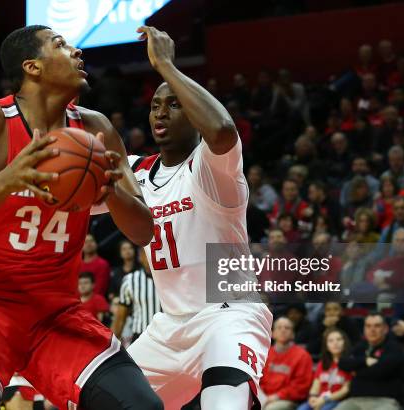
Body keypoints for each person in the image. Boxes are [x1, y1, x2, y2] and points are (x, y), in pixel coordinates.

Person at [0, 25, 158, 410]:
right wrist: (7, 180)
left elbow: (144, 230)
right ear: (32, 67)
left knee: (141, 406)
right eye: (61, 45)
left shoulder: (95, 128)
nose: (77, 52)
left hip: (55, 312)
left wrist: (112, 193)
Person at [100, 25, 273, 410]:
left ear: (194, 114)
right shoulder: (135, 173)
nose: (161, 111)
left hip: (229, 314)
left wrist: (167, 67)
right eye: (155, 105)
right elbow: (72, 191)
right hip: (169, 326)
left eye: (174, 103)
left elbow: (223, 130)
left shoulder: (212, 169)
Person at [336, 313, 404, 410]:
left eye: (377, 326)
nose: (372, 330)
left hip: (385, 401)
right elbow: (342, 363)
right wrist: (365, 361)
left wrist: (356, 371)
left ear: (385, 329)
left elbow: (381, 371)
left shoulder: (394, 348)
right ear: (364, 329)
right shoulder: (360, 347)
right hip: (355, 400)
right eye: (368, 326)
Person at [260, 318, 313, 410]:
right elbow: (257, 379)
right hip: (263, 396)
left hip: (287, 400)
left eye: (287, 328)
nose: (283, 330)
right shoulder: (264, 353)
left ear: (293, 334)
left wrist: (277, 396)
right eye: (279, 327)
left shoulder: (303, 355)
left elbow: (301, 386)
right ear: (272, 333)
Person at [112, 248, 161, 343]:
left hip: (169, 337)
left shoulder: (174, 278)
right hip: (141, 336)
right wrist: (112, 347)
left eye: (156, 253)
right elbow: (120, 318)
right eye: (148, 253)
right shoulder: (130, 280)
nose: (152, 257)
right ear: (140, 257)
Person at [298, 329, 352, 410]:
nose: (335, 343)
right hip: (319, 398)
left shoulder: (351, 363)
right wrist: (313, 397)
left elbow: (345, 390)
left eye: (339, 339)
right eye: (331, 341)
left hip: (337, 400)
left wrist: (325, 399)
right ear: (326, 346)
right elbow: (316, 385)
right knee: (302, 408)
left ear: (345, 342)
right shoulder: (322, 363)